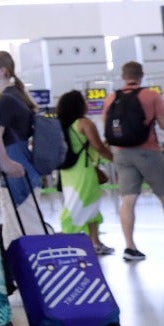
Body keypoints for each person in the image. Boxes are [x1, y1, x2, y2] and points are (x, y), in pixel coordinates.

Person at [101, 60, 164, 262]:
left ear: (123, 76)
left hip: (121, 153)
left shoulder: (112, 98)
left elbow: (107, 126)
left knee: (128, 199)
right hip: (148, 151)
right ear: (141, 75)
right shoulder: (151, 95)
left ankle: (130, 247)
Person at [55, 89, 114, 255]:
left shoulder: (60, 125)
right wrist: (115, 160)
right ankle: (67, 242)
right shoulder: (84, 123)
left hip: (67, 173)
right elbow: (98, 147)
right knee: (80, 207)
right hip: (84, 171)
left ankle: (95, 242)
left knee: (87, 206)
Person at [0, 50, 39, 214]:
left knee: (18, 228)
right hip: (23, 165)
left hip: (12, 169)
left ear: (3, 71)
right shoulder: (16, 95)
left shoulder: (4, 100)